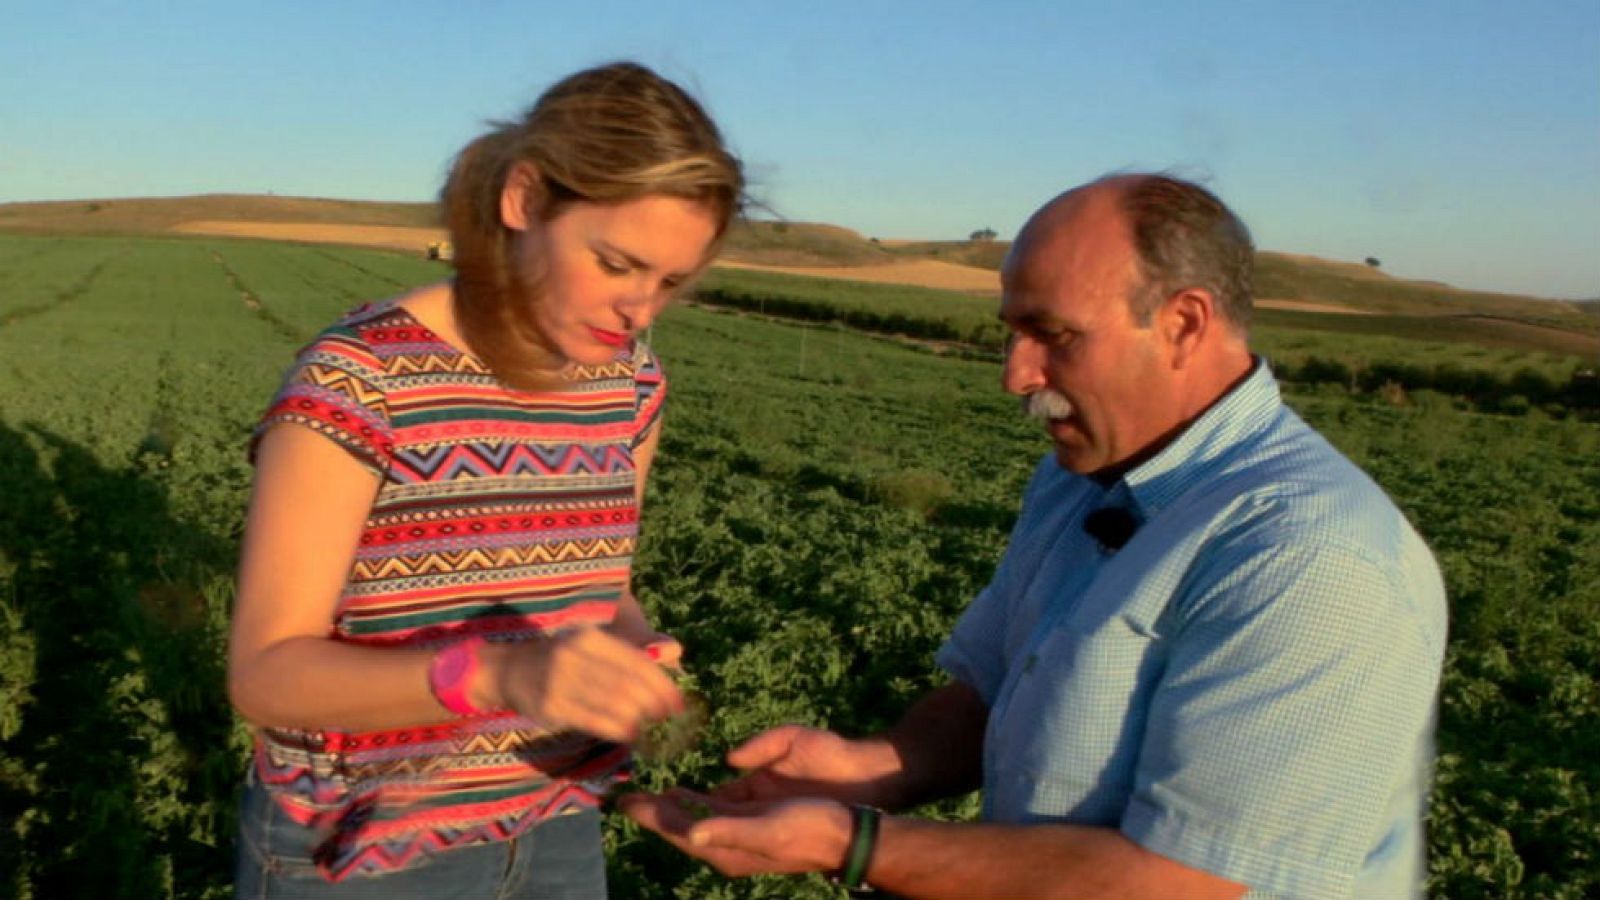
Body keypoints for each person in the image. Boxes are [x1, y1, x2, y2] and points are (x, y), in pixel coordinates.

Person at [622, 174, 1448, 899]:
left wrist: (856, 844)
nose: (1016, 374)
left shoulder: (1305, 556)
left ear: (1183, 324)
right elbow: (996, 691)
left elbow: (1179, 881)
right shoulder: (1079, 478)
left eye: (1055, 336)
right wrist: (870, 768)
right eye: (1011, 332)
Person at [227, 61, 744, 896]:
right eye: (616, 263)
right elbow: (266, 675)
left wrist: (628, 649)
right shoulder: (363, 380)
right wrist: (498, 676)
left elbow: (605, 587)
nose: (641, 310)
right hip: (364, 847)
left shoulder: (632, 386)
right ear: (525, 200)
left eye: (669, 282)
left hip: (557, 821)